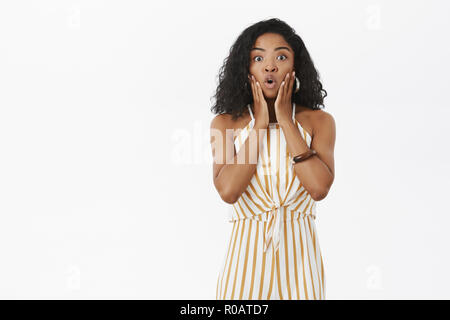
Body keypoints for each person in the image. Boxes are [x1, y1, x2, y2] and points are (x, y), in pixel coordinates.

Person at [210, 18, 336, 300]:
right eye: (258, 57)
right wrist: (260, 124)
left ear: (296, 66)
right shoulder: (224, 125)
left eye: (281, 56)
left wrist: (286, 121)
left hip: (301, 265)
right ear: (246, 67)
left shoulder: (320, 122)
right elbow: (229, 191)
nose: (270, 66)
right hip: (243, 267)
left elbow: (318, 188)